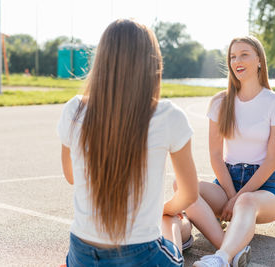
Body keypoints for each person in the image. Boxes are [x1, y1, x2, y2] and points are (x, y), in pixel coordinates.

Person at [57, 19, 198, 267]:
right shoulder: (167, 115)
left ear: (101, 60)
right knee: (175, 220)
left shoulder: (74, 109)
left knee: (174, 221)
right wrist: (165, 209)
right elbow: (189, 194)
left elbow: (71, 176)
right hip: (139, 253)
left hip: (82, 251)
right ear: (152, 63)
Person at [185, 36, 275, 267]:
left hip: (264, 189)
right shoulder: (220, 102)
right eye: (233, 56)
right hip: (226, 183)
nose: (237, 61)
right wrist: (231, 195)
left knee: (245, 203)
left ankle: (221, 258)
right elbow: (215, 155)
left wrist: (238, 199)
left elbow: (272, 159)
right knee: (183, 188)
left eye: (244, 54)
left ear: (259, 61)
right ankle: (234, 245)